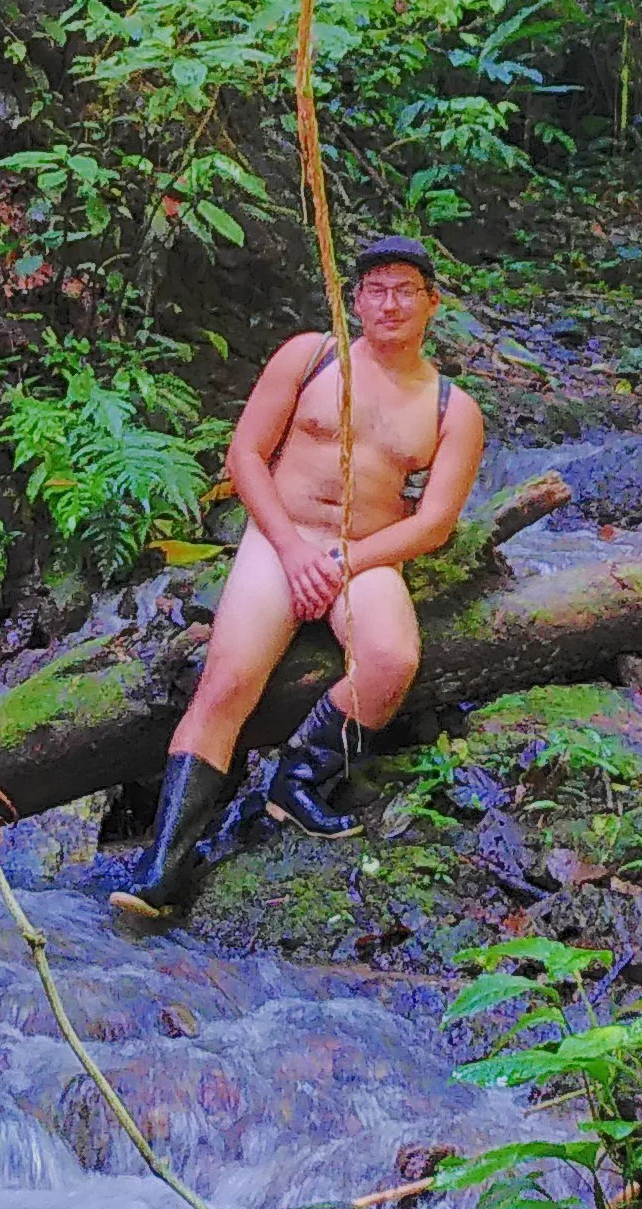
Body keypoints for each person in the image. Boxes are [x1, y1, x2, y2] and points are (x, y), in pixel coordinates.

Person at [108, 233, 487, 927]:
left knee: (391, 658)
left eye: (407, 289)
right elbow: (246, 455)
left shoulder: (450, 409)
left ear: (433, 303)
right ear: (358, 301)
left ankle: (297, 777)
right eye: (376, 289)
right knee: (227, 683)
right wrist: (291, 548)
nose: (391, 303)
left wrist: (343, 563)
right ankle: (163, 865)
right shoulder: (312, 357)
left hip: (363, 552)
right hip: (280, 541)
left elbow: (434, 523)